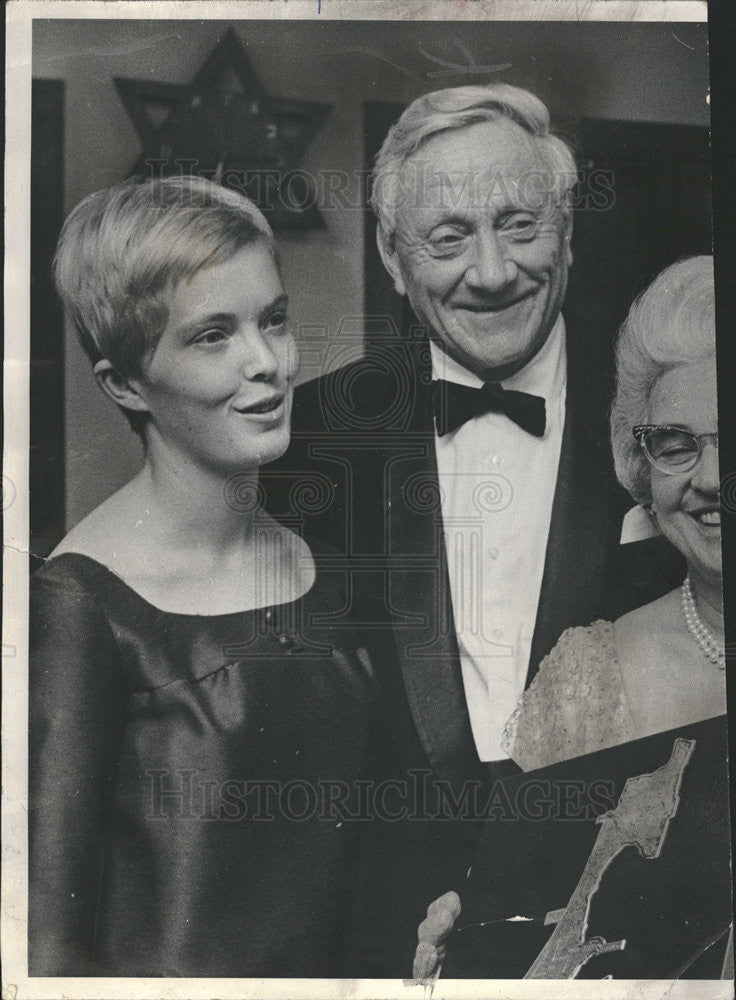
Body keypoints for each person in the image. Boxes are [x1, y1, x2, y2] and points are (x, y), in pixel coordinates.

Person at [264, 84, 681, 971]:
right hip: (380, 944)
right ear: (390, 252)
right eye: (448, 237)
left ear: (568, 228)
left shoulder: (674, 418)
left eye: (521, 225)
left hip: (622, 930)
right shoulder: (308, 442)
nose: (491, 273)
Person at [29, 176, 379, 977]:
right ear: (122, 382)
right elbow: (47, 950)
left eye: (274, 321)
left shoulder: (322, 561)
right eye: (212, 336)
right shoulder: (78, 606)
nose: (269, 364)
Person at [413, 254, 726, 980]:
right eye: (675, 443)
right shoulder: (590, 675)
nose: (710, 479)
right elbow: (507, 922)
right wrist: (466, 933)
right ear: (640, 466)